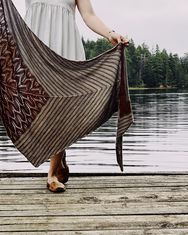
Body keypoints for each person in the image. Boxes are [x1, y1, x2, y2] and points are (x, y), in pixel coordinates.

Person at [24, 0, 129, 193]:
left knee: (60, 110)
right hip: (33, 48)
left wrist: (110, 33)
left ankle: (52, 173)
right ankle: (59, 154)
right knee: (36, 111)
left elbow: (88, 15)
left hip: (64, 46)